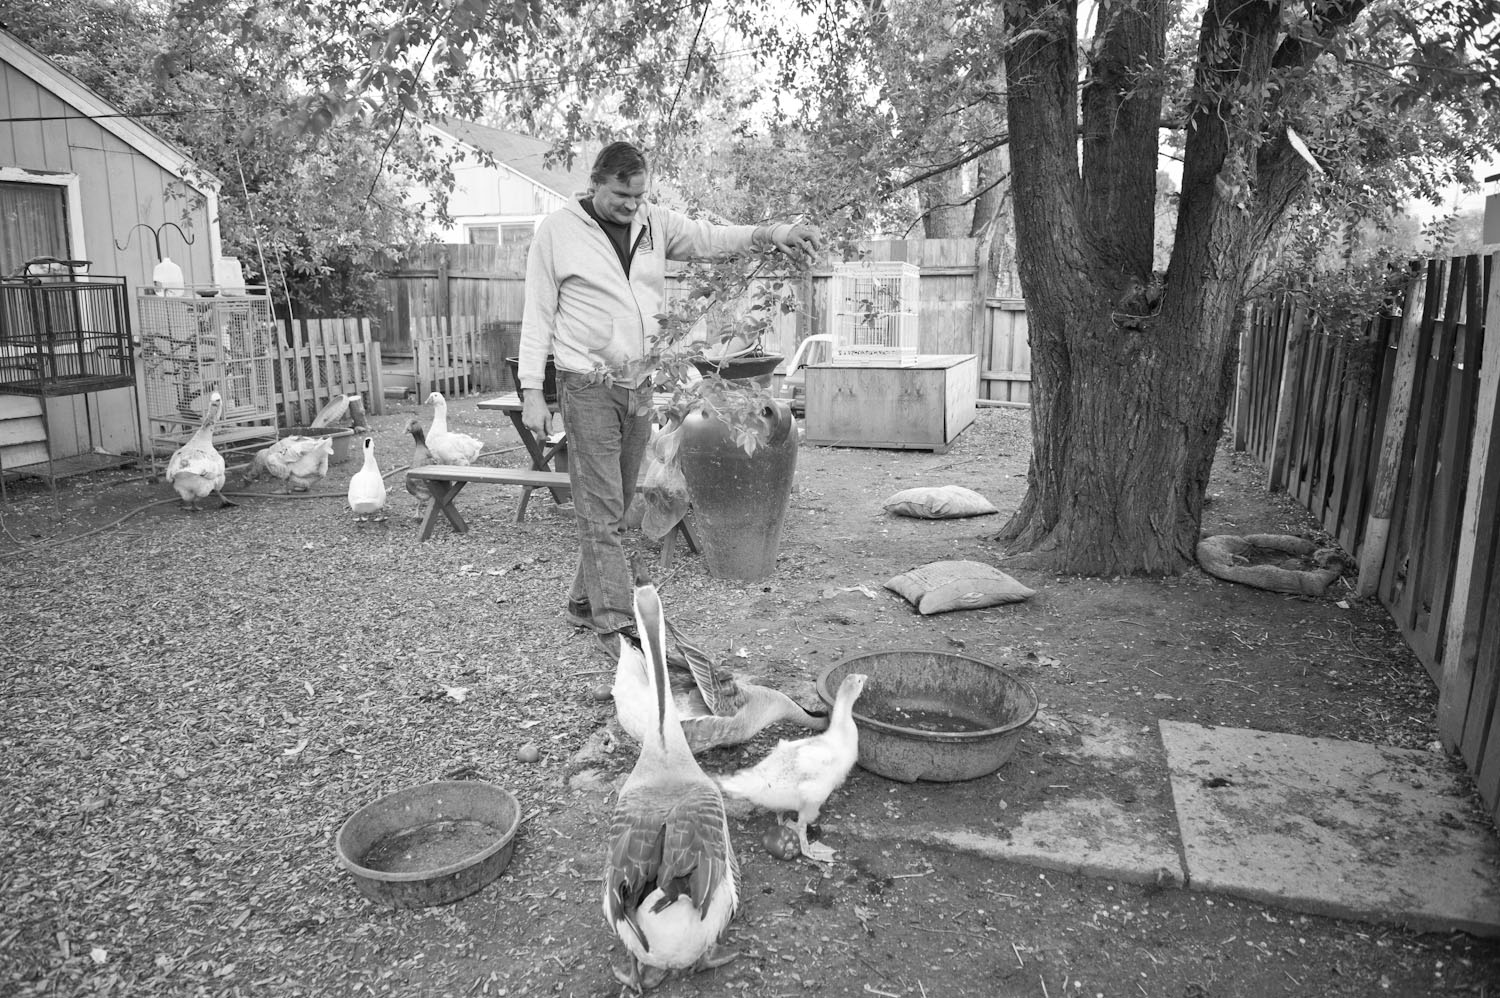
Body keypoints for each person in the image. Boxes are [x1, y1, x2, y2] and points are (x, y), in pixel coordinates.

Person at [517, 140, 822, 655]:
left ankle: (580, 601)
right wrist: (531, 391)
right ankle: (614, 624)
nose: (632, 206)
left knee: (611, 502)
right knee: (602, 507)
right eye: (621, 196)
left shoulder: (652, 222)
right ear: (595, 183)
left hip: (638, 385)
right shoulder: (558, 232)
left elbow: (711, 237)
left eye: (639, 195)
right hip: (586, 385)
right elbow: (537, 314)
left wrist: (774, 233)